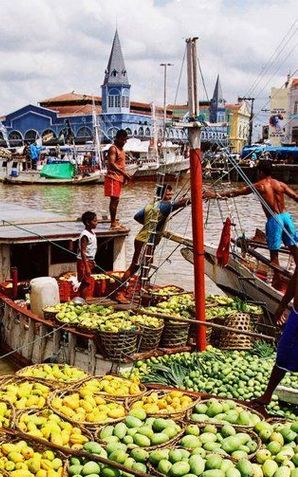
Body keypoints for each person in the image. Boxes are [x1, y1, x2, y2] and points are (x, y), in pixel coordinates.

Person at [209, 160, 298, 290]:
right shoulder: (280, 184)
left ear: (260, 172)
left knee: (274, 256)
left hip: (274, 220)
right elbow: (295, 197)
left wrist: (215, 195)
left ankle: (278, 283)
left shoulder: (259, 186)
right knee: (294, 250)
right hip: (286, 217)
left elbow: (237, 192)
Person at [115, 184, 192, 302]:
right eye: (168, 193)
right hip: (145, 240)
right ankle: (119, 292)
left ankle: (141, 288)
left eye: (171, 193)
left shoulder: (151, 206)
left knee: (147, 264)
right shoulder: (164, 206)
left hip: (146, 240)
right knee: (135, 266)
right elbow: (181, 203)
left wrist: (152, 224)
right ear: (161, 194)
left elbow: (137, 217)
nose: (170, 195)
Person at [253, 264, 298, 407]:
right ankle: (267, 395)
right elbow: (295, 280)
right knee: (283, 353)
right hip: (296, 315)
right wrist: (282, 305)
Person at [104, 129, 130, 229]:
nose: (124, 142)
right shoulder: (113, 149)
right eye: (123, 140)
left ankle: (114, 221)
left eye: (125, 140)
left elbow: (121, 165)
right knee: (114, 200)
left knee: (116, 200)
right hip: (112, 177)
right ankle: (113, 223)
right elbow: (111, 163)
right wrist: (124, 173)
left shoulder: (121, 150)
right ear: (118, 138)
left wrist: (124, 176)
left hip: (118, 178)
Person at [76, 211, 98, 300]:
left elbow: (91, 250)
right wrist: (87, 266)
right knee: (85, 282)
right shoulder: (85, 235)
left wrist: (92, 260)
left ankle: (82, 298)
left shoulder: (92, 233)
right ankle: (83, 299)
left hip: (89, 260)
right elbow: (83, 251)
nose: (97, 223)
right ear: (88, 222)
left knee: (86, 281)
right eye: (95, 221)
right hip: (84, 261)